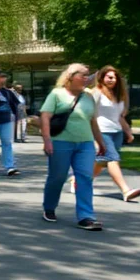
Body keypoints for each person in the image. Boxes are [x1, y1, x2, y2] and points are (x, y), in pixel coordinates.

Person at [41, 63, 105, 230]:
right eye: (83, 75)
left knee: (85, 177)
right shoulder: (57, 94)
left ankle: (86, 217)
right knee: (58, 177)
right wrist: (47, 140)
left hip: (85, 143)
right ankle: (49, 207)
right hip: (61, 142)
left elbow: (93, 121)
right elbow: (45, 117)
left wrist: (101, 142)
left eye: (88, 75)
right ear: (70, 77)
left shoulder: (88, 97)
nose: (87, 78)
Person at [89, 65, 140, 202]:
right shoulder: (96, 92)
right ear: (102, 77)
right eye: (109, 77)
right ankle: (126, 190)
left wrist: (128, 132)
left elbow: (119, 116)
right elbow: (90, 115)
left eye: (115, 77)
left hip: (116, 132)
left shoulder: (117, 95)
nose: (112, 80)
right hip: (102, 131)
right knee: (112, 159)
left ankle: (79, 181)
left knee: (101, 162)